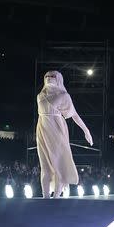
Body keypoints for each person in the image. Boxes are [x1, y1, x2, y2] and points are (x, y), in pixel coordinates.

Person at [35, 70, 93, 198]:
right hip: (42, 129)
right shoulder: (40, 95)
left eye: (53, 76)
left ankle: (56, 195)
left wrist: (86, 130)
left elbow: (74, 115)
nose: (49, 78)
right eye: (47, 76)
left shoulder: (63, 96)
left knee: (58, 162)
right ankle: (45, 196)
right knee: (45, 164)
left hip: (57, 129)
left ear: (58, 79)